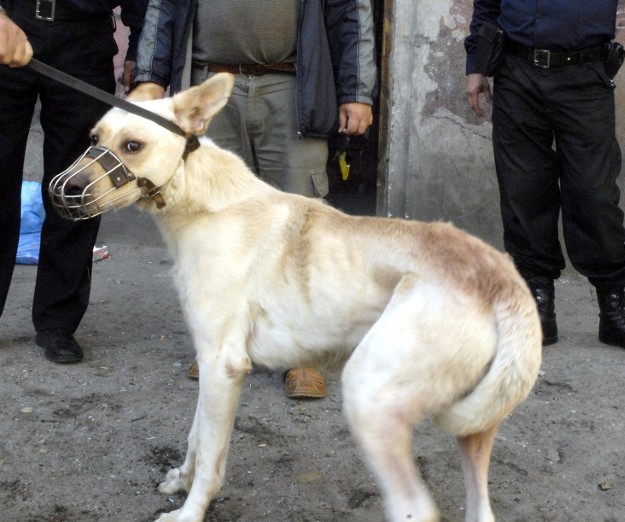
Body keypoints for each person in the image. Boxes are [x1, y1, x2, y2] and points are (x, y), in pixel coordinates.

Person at [131, 0, 377, 397]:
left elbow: (352, 12)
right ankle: (220, 341)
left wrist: (357, 92)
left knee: (302, 228)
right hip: (208, 87)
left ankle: (304, 356)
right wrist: (150, 77)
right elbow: (163, 6)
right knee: (213, 227)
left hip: (293, 85)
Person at [465, 1, 625, 355]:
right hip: (517, 73)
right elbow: (487, 5)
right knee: (523, 190)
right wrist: (476, 66)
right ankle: (538, 305)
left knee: (595, 193)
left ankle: (612, 308)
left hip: (586, 77)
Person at [0, 1, 147, 364]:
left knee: (76, 189)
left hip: (85, 40)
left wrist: (140, 51)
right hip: (9, 23)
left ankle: (57, 322)